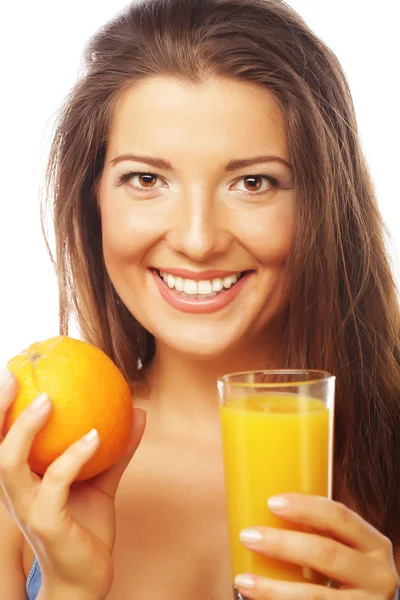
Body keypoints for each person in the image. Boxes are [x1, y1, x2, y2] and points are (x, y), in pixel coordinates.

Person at [1, 0, 399, 598]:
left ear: (322, 203)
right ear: (94, 202)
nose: (197, 240)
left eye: (253, 182)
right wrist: (69, 588)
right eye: (146, 179)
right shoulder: (26, 475)